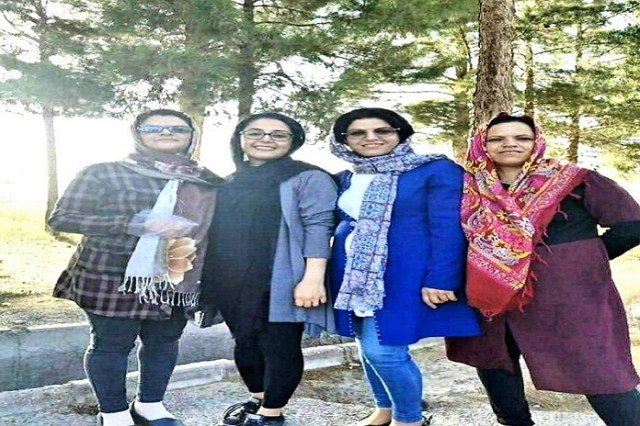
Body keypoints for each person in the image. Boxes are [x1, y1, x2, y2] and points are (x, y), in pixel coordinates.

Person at [446, 113, 640, 426]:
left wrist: (582, 261)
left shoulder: (576, 180)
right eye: (497, 139)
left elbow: (632, 226)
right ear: (483, 144)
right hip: (491, 293)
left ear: (537, 142)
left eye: (521, 137)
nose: (509, 144)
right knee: (495, 361)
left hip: (566, 295)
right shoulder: (469, 188)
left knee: (598, 366)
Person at [48, 109, 223, 426]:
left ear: (191, 136)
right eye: (154, 127)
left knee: (164, 341)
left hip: (179, 274)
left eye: (177, 128)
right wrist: (135, 223)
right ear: (137, 133)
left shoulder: (207, 180)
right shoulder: (104, 172)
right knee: (112, 344)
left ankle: (149, 406)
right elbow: (62, 218)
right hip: (111, 275)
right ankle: (113, 414)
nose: (166, 133)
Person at [327, 108, 481, 426]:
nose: (370, 138)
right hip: (354, 275)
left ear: (401, 133)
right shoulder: (346, 177)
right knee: (364, 343)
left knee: (385, 351)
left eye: (382, 131)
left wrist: (442, 279)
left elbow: (448, 228)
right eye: (358, 133)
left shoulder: (434, 170)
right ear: (344, 140)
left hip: (406, 275)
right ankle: (384, 409)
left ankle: (409, 419)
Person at [199, 112, 337, 426]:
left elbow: (319, 227)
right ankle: (257, 399)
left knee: (279, 343)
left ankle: (271, 415)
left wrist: (313, 278)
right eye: (255, 132)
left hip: (282, 275)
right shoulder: (230, 181)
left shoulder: (308, 177)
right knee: (244, 341)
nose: (266, 139)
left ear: (293, 141)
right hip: (229, 276)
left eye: (278, 134)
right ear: (240, 139)